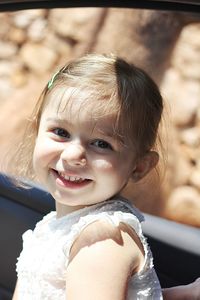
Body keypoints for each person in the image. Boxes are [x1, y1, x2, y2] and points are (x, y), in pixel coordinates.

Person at [12, 54, 199, 300]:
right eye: (61, 132)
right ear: (37, 130)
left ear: (139, 166)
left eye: (101, 144)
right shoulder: (60, 224)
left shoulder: (101, 243)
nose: (73, 154)